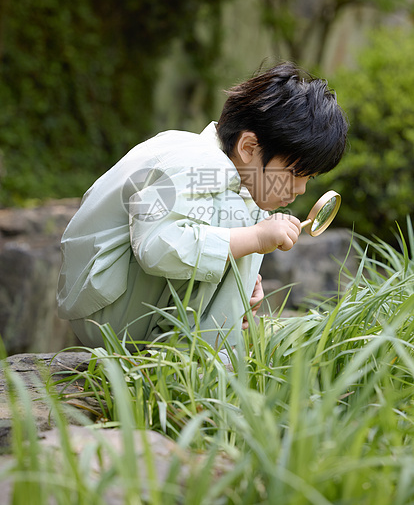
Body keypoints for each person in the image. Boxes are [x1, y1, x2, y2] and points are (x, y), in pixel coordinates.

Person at [57, 61, 348, 351]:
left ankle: (205, 349)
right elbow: (157, 246)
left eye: (308, 178)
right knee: (243, 221)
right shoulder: (199, 163)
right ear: (248, 147)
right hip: (109, 311)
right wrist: (256, 238)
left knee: (248, 220)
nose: (300, 189)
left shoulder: (224, 173)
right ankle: (194, 363)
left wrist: (241, 290)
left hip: (114, 302)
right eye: (295, 174)